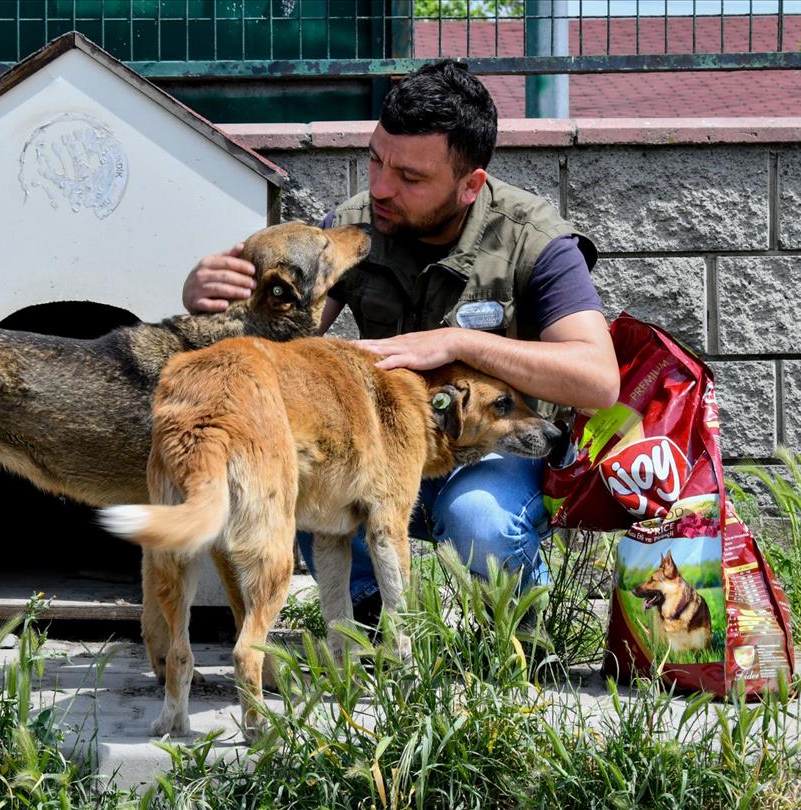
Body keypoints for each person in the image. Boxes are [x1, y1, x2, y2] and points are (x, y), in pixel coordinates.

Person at [182, 60, 619, 623]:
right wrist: (209, 305)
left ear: (471, 185)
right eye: (376, 159)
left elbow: (598, 378)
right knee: (308, 482)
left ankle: (516, 637)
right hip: (385, 453)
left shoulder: (535, 240)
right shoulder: (356, 226)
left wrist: (459, 345)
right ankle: (370, 624)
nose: (382, 188)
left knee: (479, 519)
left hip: (489, 455)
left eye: (410, 178)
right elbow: (275, 346)